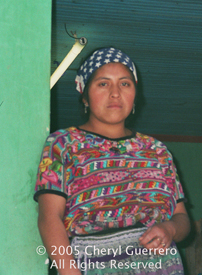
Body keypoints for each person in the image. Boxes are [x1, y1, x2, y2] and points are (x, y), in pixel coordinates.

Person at [34, 47, 190, 275]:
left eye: (125, 83)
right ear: (85, 95)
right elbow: (49, 218)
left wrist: (171, 228)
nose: (115, 93)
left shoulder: (157, 151)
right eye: (103, 83)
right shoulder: (63, 144)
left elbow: (182, 217)